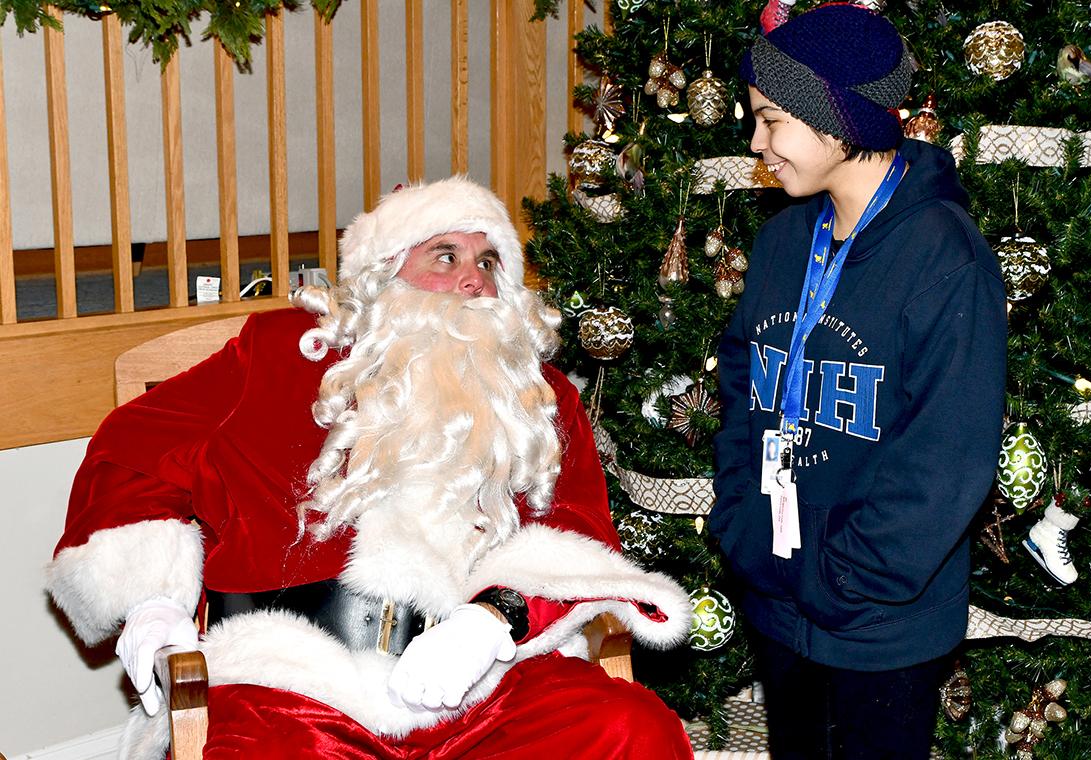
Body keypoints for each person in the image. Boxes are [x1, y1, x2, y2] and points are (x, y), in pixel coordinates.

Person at [47, 176, 695, 759]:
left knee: (630, 728)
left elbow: (575, 533)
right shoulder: (277, 356)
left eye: (490, 261)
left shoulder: (537, 397)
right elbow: (130, 449)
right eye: (446, 256)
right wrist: (153, 601)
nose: (474, 279)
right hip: (296, 680)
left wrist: (492, 620)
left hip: (485, 681)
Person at [710, 5, 1007, 759]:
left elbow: (946, 464)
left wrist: (835, 578)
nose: (757, 143)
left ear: (836, 122)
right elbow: (744, 381)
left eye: (772, 120)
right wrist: (743, 520)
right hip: (777, 600)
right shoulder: (782, 239)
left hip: (880, 628)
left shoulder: (947, 260)